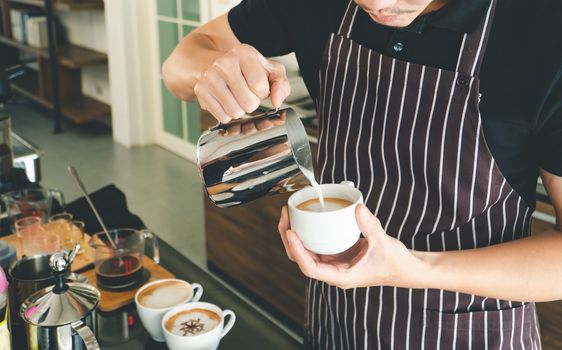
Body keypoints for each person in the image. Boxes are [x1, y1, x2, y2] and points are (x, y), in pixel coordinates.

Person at [163, 0, 562, 348]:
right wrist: (209, 71)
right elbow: (182, 59)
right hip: (337, 318)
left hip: (469, 331)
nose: (378, 4)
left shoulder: (543, 30)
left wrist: (417, 269)